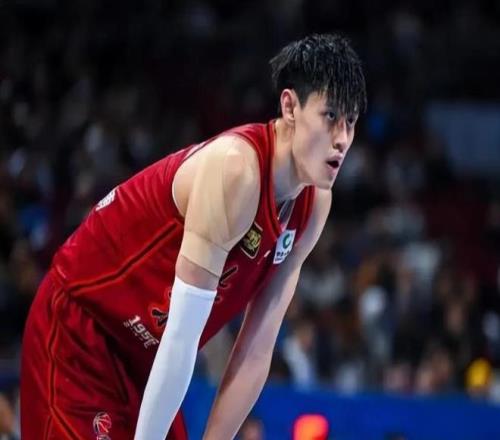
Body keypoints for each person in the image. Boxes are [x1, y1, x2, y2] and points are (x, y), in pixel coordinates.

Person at [20, 33, 366, 439]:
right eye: (330, 116)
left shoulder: (314, 205)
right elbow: (183, 335)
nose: (342, 139)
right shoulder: (236, 170)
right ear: (289, 106)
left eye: (351, 122)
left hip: (145, 360)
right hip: (81, 330)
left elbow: (256, 350)